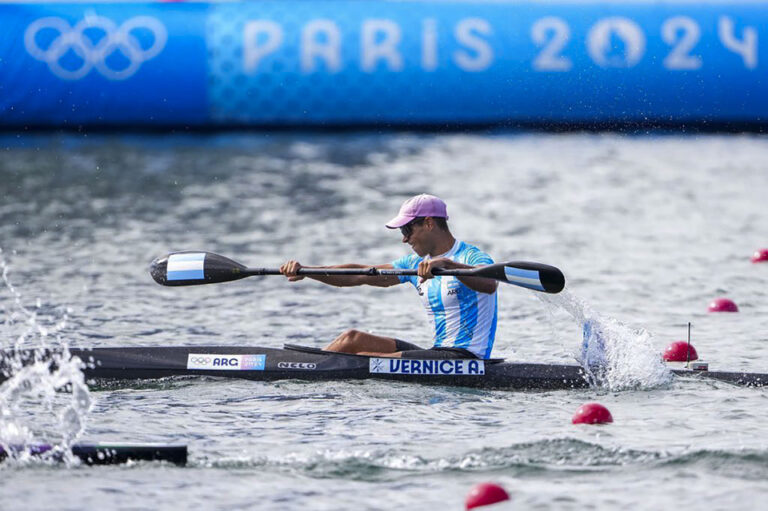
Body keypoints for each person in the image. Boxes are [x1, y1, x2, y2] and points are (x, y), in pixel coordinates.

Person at [280, 194, 498, 359]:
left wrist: (447, 264)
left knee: (363, 358)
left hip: (466, 357)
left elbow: (490, 284)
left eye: (406, 230)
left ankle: (305, 369)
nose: (404, 239)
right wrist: (307, 271)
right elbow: (359, 275)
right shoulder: (413, 264)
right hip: (437, 353)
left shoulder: (472, 256)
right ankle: (307, 365)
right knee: (352, 339)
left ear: (429, 223)